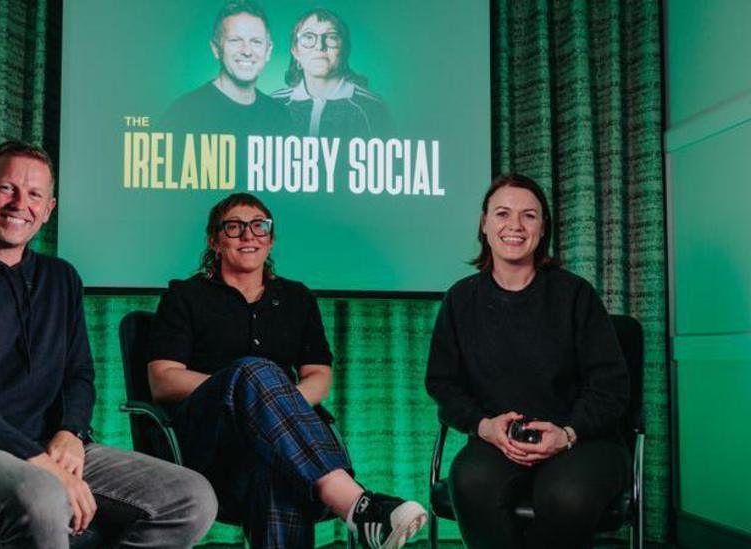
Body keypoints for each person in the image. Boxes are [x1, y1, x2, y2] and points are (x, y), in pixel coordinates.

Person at [0, 140, 217, 548]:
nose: (20, 204)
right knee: (42, 498)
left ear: (49, 209)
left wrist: (71, 432)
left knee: (191, 498)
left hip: (43, 448)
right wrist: (36, 460)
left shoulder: (61, 279)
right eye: (7, 188)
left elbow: (79, 374)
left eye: (34, 195)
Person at [147, 192, 427, 549]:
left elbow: (319, 378)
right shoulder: (185, 296)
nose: (248, 235)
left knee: (277, 464)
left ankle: (359, 508)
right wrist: (247, 390)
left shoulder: (298, 298)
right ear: (214, 241)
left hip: (277, 448)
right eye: (234, 227)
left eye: (259, 226)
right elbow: (163, 379)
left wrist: (272, 407)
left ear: (271, 239)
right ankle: (358, 504)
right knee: (253, 373)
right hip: (209, 444)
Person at [425, 174, 631, 549]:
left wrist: (567, 433)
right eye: (503, 213)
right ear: (484, 224)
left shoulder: (575, 295)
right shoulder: (460, 300)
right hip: (499, 442)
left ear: (543, 227)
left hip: (581, 440)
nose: (515, 226)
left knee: (566, 496)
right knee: (470, 483)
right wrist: (484, 426)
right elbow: (443, 383)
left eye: (529, 216)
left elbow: (610, 385)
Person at [160, 0, 290, 136]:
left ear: (268, 51)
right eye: (235, 40)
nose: (247, 51)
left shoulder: (280, 116)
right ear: (216, 49)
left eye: (256, 41)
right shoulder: (184, 114)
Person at [271, 8, 392, 138]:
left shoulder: (372, 107)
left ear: (345, 50)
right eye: (308, 37)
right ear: (295, 52)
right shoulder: (273, 104)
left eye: (331, 37)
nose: (319, 46)